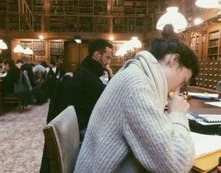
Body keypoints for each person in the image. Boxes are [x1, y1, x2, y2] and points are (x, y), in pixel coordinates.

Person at [74, 25, 200, 173]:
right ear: (173, 60)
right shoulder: (137, 87)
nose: (178, 89)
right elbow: (176, 166)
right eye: (183, 81)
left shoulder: (138, 74)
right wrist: (177, 115)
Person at [40, 38, 113, 173]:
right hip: (83, 131)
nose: (108, 61)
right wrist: (110, 72)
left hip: (81, 125)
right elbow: (111, 101)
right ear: (97, 55)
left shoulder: (85, 71)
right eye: (107, 57)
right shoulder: (88, 77)